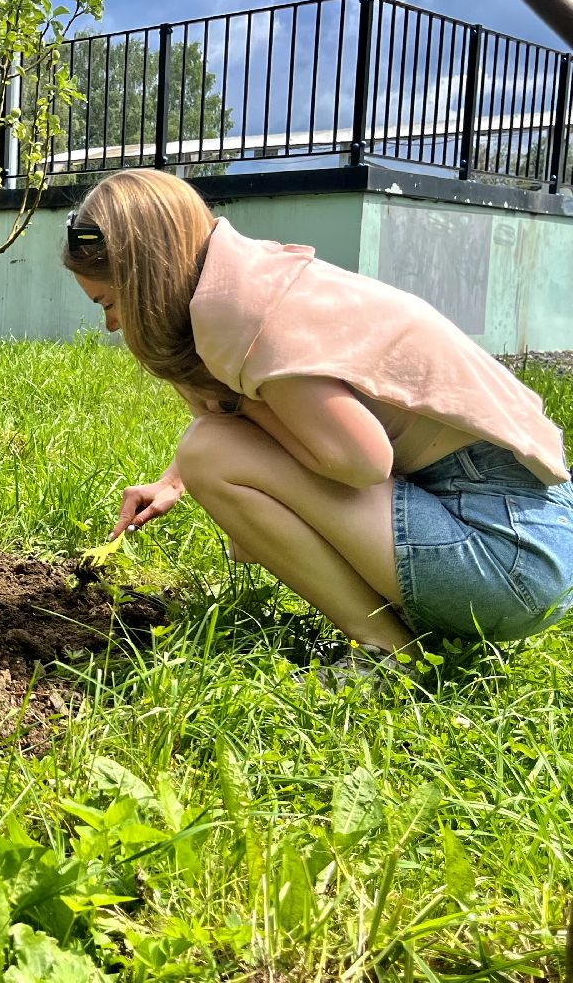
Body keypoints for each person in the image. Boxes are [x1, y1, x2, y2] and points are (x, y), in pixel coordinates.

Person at [63, 168, 573, 679]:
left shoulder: (241, 313)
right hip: (527, 532)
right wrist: (174, 481)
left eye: (109, 302)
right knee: (206, 451)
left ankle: (389, 653)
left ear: (147, 279)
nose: (111, 324)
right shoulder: (247, 277)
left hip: (506, 557)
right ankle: (403, 629)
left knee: (209, 453)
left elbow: (362, 461)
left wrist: (235, 415)